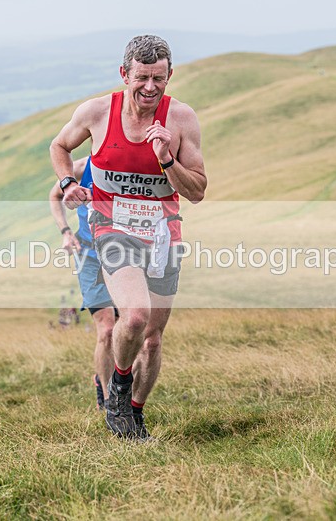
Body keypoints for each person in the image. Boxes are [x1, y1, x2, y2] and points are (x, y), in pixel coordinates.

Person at [50, 35, 207, 440]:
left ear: (169, 75)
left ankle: (134, 412)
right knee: (133, 315)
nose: (150, 87)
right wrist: (68, 182)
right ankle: (118, 393)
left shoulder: (182, 120)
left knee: (152, 339)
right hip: (111, 226)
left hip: (162, 233)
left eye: (159, 78)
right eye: (142, 78)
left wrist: (166, 159)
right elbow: (59, 145)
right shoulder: (97, 112)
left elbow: (197, 191)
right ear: (125, 75)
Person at [49, 156, 118, 411]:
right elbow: (53, 195)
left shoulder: (129, 165)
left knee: (127, 330)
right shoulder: (80, 167)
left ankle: (118, 385)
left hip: (125, 257)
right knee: (107, 329)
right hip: (89, 256)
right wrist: (65, 231)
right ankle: (109, 399)